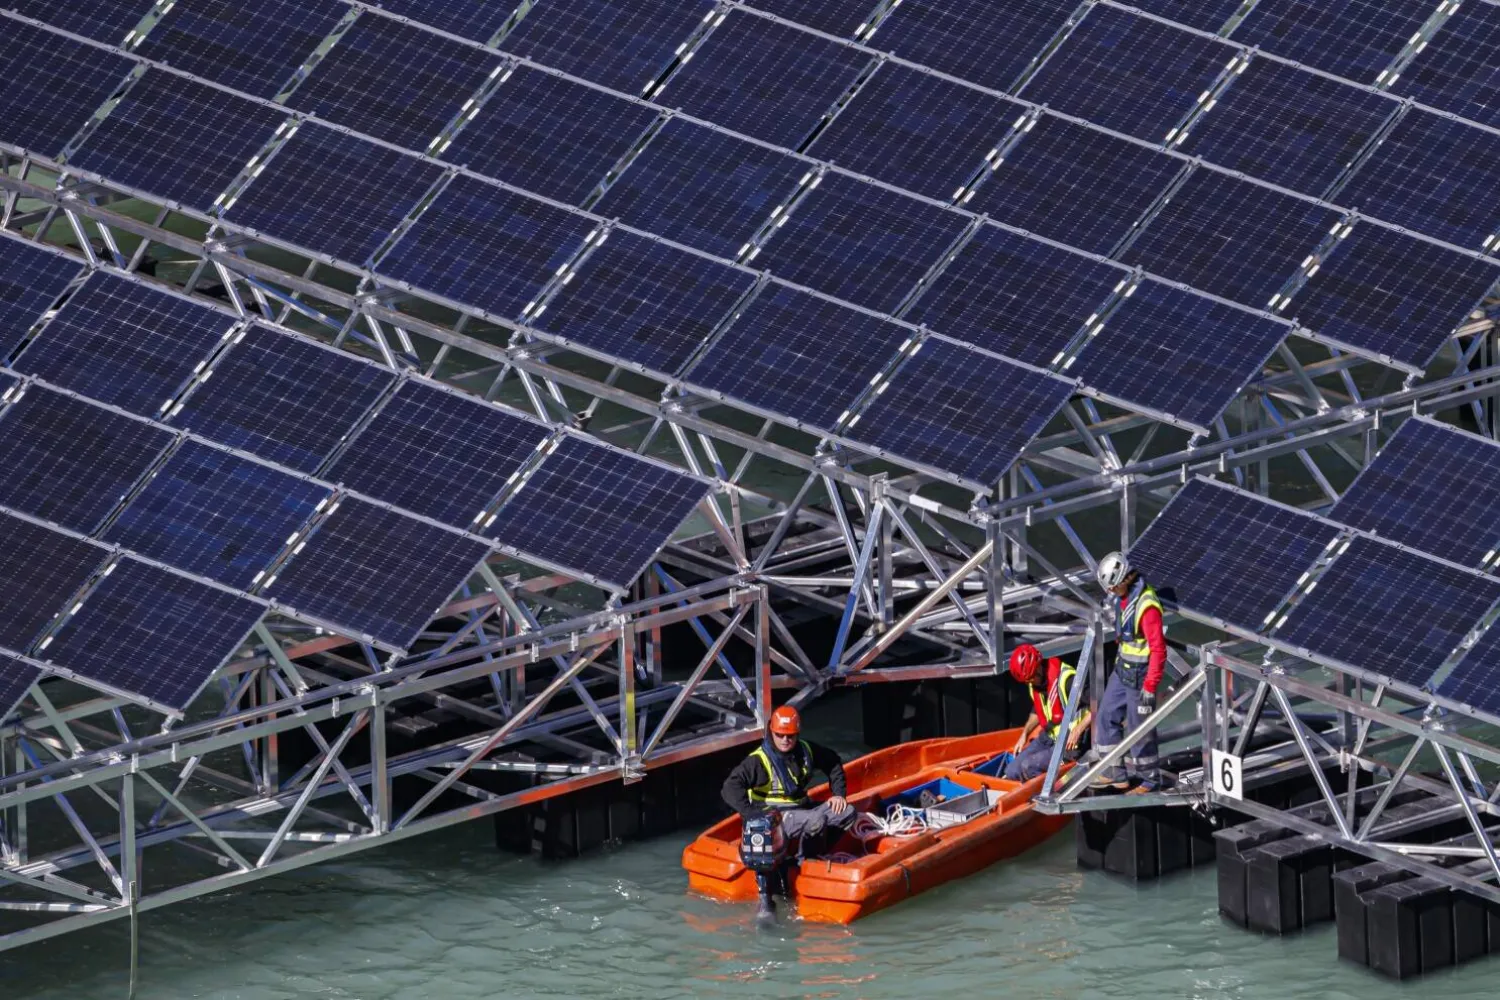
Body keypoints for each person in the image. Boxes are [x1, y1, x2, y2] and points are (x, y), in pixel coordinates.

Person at [722, 705, 855, 850]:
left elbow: (833, 761)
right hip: (775, 817)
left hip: (802, 807)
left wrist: (838, 794)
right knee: (816, 821)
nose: (785, 740)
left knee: (847, 812)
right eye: (779, 735)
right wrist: (752, 814)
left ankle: (818, 849)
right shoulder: (758, 761)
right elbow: (730, 787)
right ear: (771, 732)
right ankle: (804, 859)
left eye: (790, 736)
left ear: (797, 733)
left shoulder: (807, 750)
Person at [1094, 551, 1166, 792]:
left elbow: (1158, 650)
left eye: (1114, 587)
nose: (1111, 592)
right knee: (1106, 715)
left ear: (1125, 579)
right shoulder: (1123, 599)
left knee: (1140, 728)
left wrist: (1150, 686)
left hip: (1141, 677)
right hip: (1122, 670)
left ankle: (1150, 779)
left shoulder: (1147, 607)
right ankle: (1115, 772)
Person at [1002, 644, 1090, 783]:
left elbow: (1099, 704)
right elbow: (1038, 709)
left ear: (1038, 669)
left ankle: (1047, 795)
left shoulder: (1067, 681)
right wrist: (1025, 734)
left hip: (1071, 744)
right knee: (1012, 771)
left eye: (1030, 679)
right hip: (1049, 737)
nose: (1029, 683)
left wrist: (1079, 730)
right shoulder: (1035, 684)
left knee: (1029, 767)